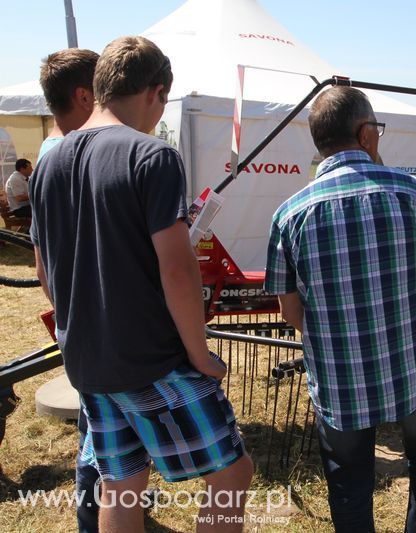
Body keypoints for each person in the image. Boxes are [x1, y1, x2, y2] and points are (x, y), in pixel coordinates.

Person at [29, 36, 253, 532]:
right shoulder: (153, 156)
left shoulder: (48, 164)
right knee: (232, 474)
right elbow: (177, 268)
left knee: (121, 483)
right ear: (156, 92)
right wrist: (198, 353)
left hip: (89, 360)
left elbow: (47, 272)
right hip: (152, 358)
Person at [264, 86, 416, 532]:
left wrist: (333, 334)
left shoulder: (289, 215)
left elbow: (290, 310)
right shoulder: (410, 192)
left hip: (339, 376)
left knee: (348, 481)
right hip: (409, 365)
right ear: (366, 135)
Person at [37, 47, 100, 533]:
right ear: (84, 95)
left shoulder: (46, 162)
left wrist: (66, 313)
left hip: (76, 325)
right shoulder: (86, 159)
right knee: (101, 437)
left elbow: (44, 267)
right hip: (106, 328)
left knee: (96, 430)